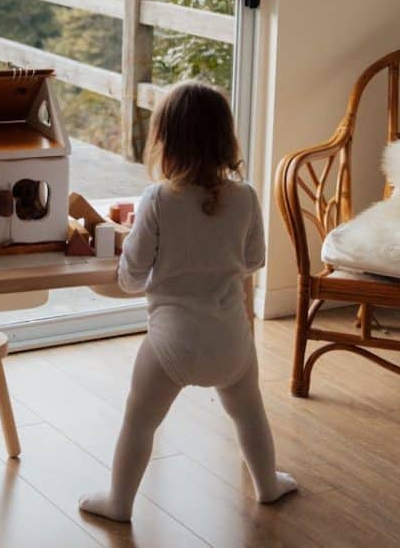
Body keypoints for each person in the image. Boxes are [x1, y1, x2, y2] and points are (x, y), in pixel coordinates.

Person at [79, 82, 297, 523]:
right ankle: (267, 484)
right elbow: (253, 260)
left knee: (140, 422)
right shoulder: (247, 196)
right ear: (225, 139)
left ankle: (119, 502)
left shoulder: (158, 199)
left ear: (165, 141)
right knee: (249, 413)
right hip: (232, 342)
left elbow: (132, 278)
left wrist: (132, 255)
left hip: (171, 346)